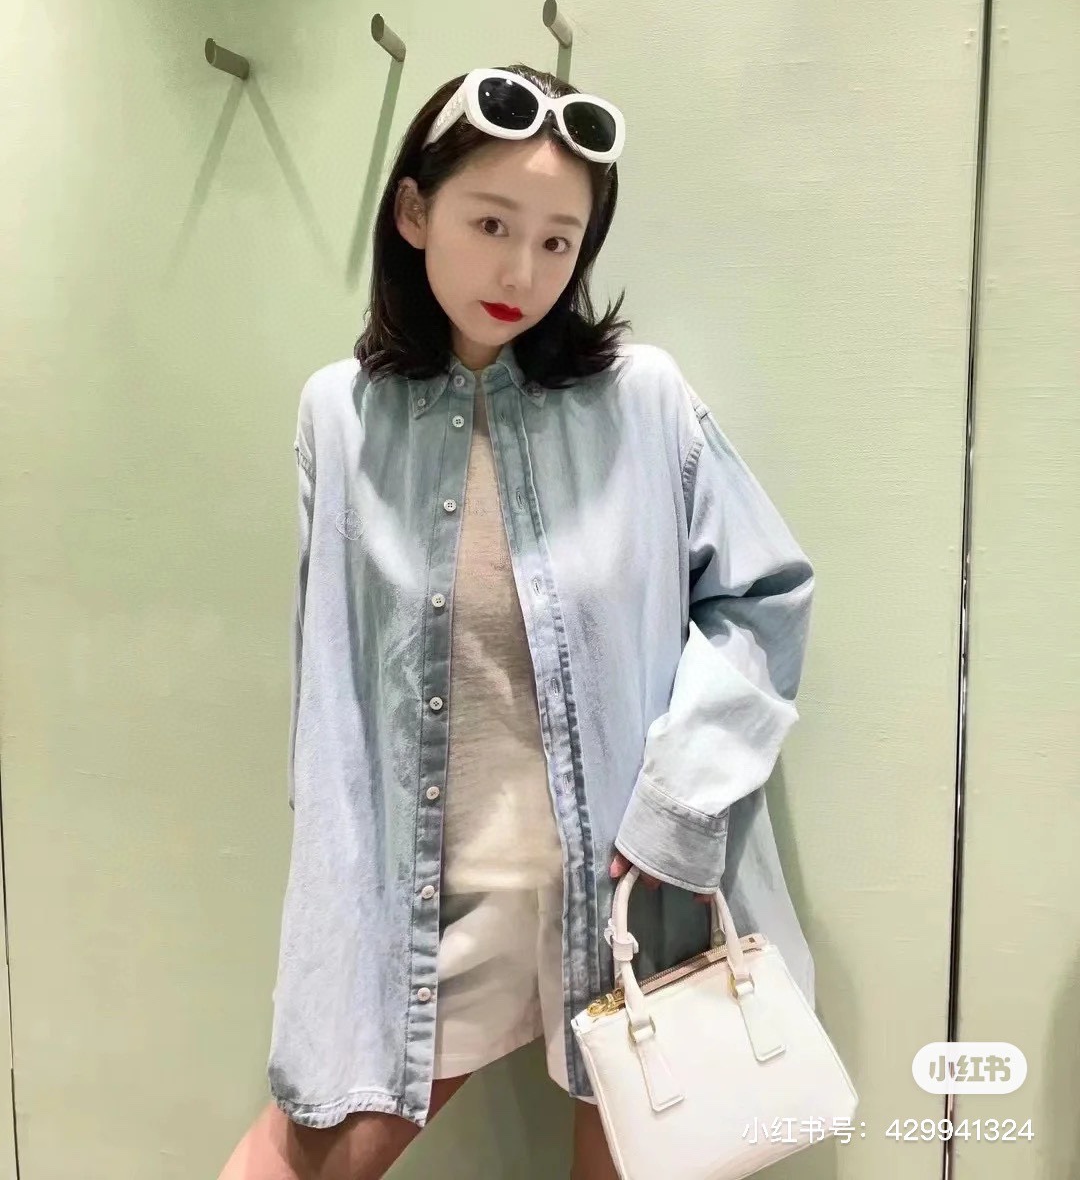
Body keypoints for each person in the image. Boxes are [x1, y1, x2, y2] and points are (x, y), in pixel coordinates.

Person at [217, 65, 816, 1180]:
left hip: (631, 894)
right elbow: (333, 675)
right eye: (491, 224)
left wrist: (679, 805)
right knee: (302, 1160)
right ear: (414, 212)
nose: (521, 273)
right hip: (436, 903)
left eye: (556, 242)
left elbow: (762, 595)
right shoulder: (340, 416)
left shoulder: (643, 400)